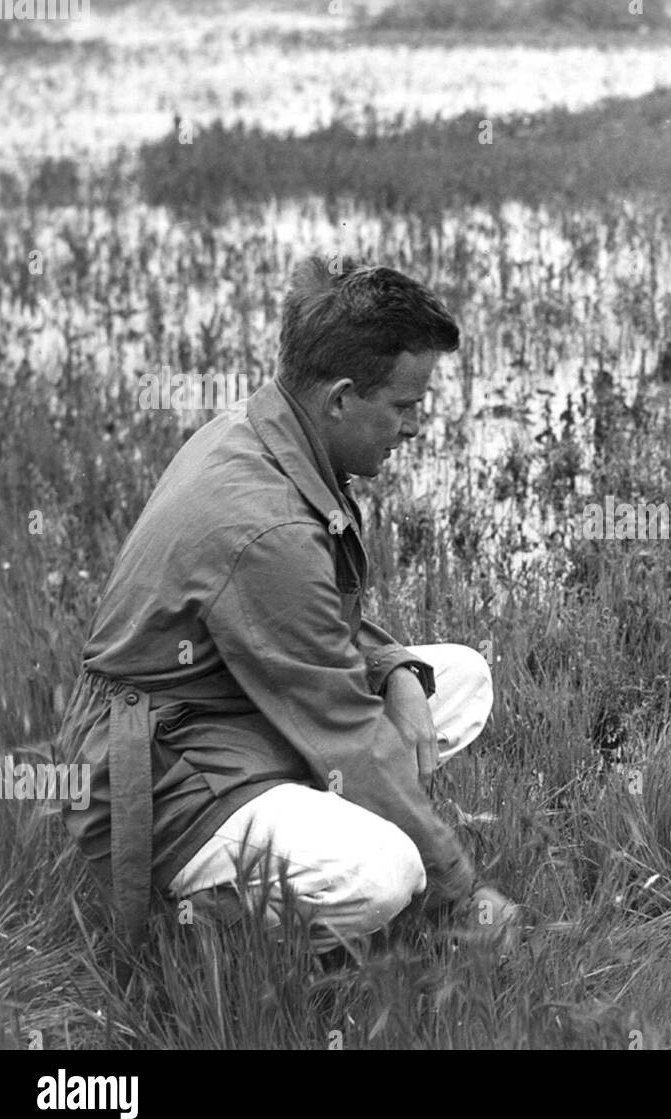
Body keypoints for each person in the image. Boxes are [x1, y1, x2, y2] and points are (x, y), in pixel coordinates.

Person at [57, 255, 518, 955]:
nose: (414, 430)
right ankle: (186, 928)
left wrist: (394, 666)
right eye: (403, 407)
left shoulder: (266, 430)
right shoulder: (264, 525)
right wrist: (461, 890)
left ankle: (310, 835)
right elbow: (347, 734)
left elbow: (313, 621)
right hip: (162, 773)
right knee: (385, 874)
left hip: (226, 712)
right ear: (338, 399)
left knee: (454, 678)